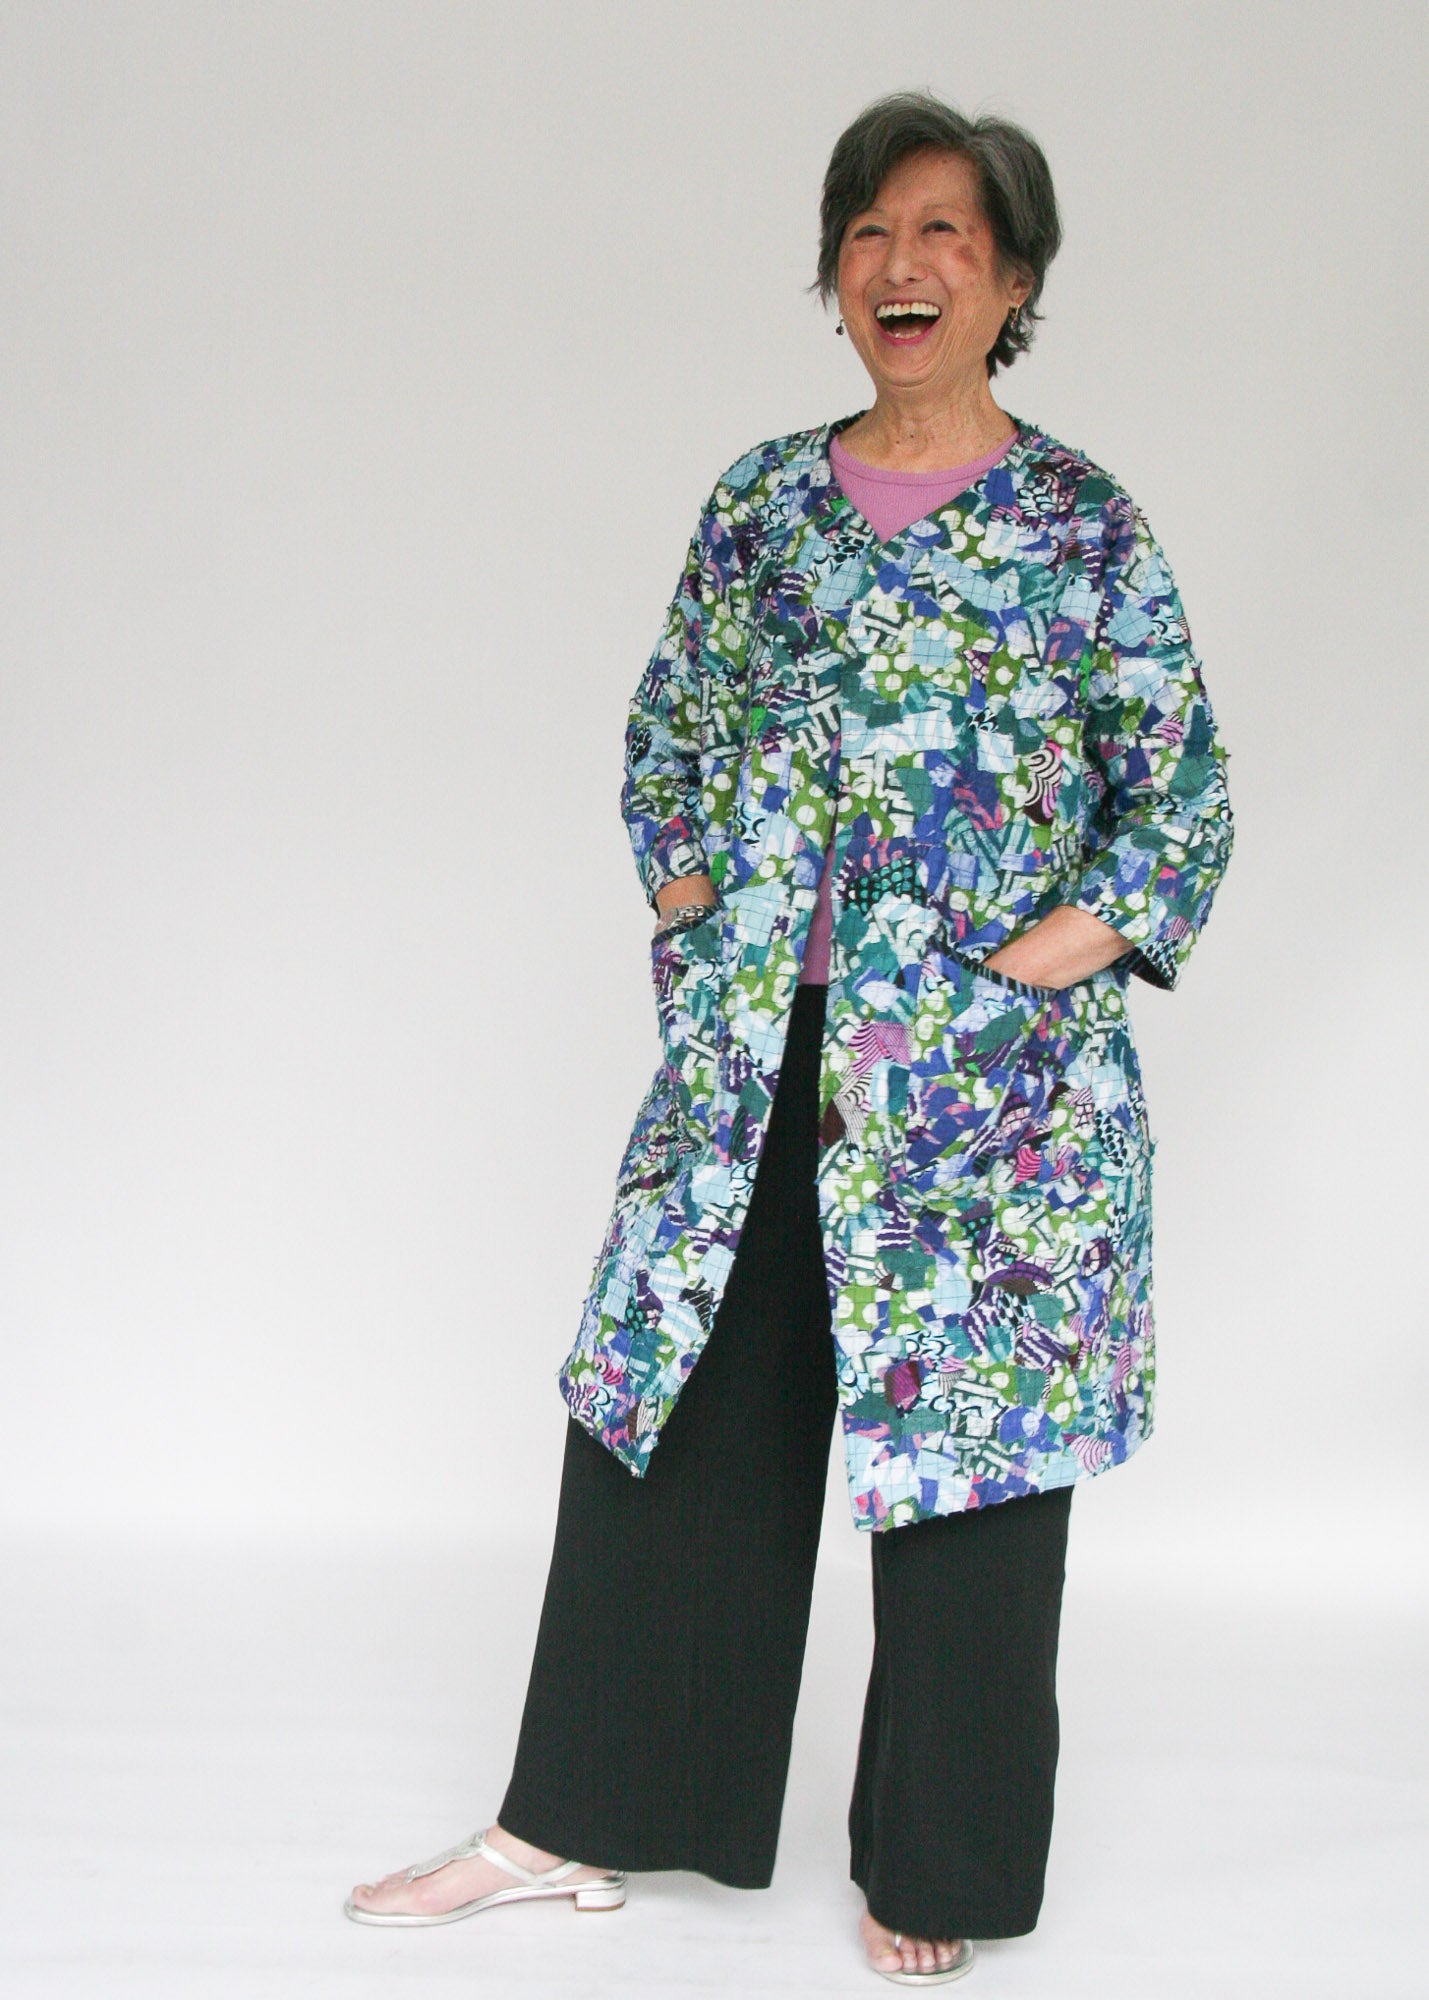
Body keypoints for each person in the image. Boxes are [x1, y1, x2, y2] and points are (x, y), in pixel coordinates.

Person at [343, 88, 1234, 1987]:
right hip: (759, 1053)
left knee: (973, 1454)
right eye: (867, 234)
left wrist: (1025, 977)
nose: (900, 267)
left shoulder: (1081, 525)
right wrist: (693, 911)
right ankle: (572, 1817)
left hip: (988, 1092)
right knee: (672, 1399)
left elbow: (1178, 805)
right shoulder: (761, 501)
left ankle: (939, 1865)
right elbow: (668, 729)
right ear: (833, 275)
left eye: (944, 235)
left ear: (1014, 282)